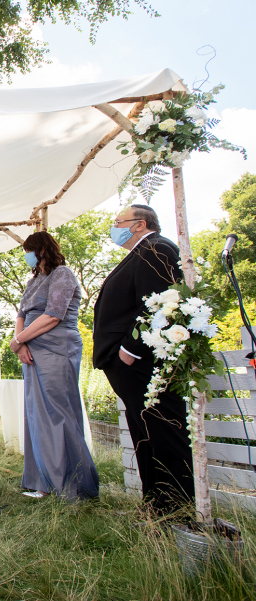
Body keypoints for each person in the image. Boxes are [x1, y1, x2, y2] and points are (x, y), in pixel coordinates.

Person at [92, 204, 192, 516]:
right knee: (144, 435)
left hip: (142, 362)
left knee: (161, 432)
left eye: (118, 222)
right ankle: (154, 505)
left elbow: (160, 303)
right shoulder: (140, 252)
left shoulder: (157, 248)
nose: (114, 227)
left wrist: (129, 351)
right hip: (129, 364)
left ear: (139, 224)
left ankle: (177, 508)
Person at [10, 231, 99, 501]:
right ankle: (43, 482)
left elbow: (53, 315)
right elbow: (21, 314)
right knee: (37, 415)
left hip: (57, 348)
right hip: (32, 350)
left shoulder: (63, 274)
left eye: (28, 250)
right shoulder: (33, 280)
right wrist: (20, 343)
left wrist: (18, 341)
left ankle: (71, 485)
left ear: (40, 250)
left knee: (58, 412)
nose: (26, 256)